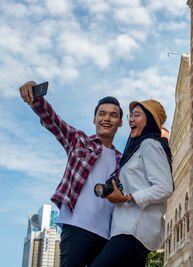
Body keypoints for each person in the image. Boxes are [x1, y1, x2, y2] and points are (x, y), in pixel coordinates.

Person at [19, 81, 123, 267]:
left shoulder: (122, 160)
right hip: (77, 227)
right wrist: (36, 99)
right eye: (102, 114)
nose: (107, 118)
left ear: (120, 122)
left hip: (108, 235)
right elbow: (54, 122)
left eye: (113, 115)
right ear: (94, 119)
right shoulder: (79, 141)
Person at [91, 99, 174, 266]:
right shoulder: (136, 150)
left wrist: (126, 197)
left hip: (133, 230)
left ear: (149, 120)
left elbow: (165, 188)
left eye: (137, 115)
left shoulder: (149, 145)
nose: (130, 119)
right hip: (129, 230)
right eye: (131, 115)